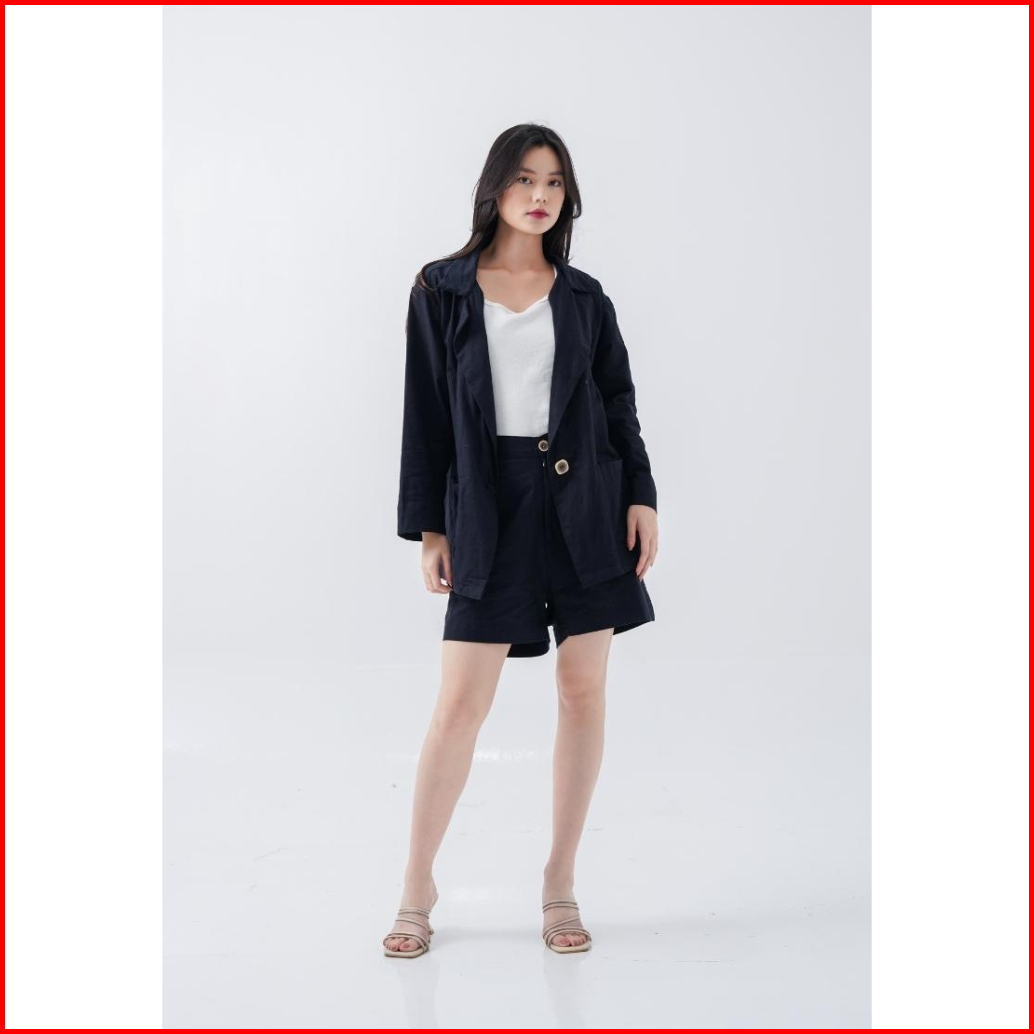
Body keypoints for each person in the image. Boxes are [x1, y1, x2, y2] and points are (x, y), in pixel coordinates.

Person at [385, 124, 660, 957]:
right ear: (495, 188)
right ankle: (417, 884)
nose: (540, 195)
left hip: (586, 505)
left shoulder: (584, 298)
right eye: (524, 179)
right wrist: (430, 526)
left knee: (582, 690)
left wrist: (641, 497)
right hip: (488, 504)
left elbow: (618, 402)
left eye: (554, 182)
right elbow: (425, 415)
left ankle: (559, 881)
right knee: (459, 705)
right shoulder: (441, 289)